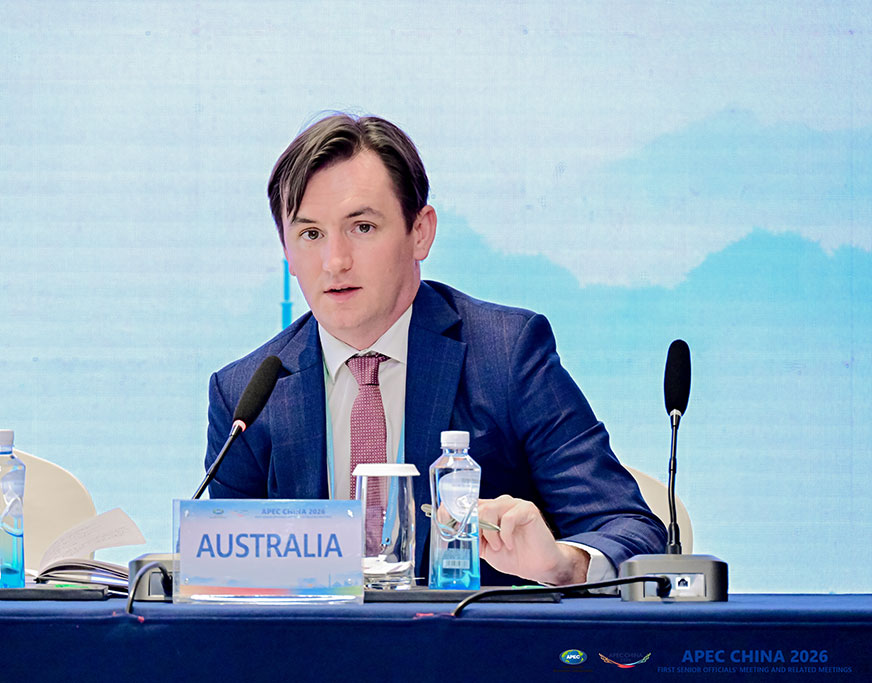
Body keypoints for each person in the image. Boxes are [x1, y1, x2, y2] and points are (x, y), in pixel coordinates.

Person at [205, 113, 666, 587]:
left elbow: (632, 530)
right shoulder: (245, 397)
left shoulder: (506, 356)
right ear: (286, 250)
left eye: (362, 227)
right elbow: (227, 580)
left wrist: (563, 564)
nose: (335, 261)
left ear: (420, 232)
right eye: (310, 235)